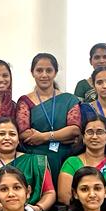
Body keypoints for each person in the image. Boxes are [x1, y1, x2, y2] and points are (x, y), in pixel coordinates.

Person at [16, 53, 81, 187]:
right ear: (32, 72)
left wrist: (43, 137)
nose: (44, 75)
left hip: (65, 158)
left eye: (49, 70)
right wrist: (61, 136)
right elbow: (23, 133)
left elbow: (74, 130)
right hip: (35, 160)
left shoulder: (70, 99)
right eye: (39, 70)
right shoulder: (25, 101)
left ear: (55, 72)